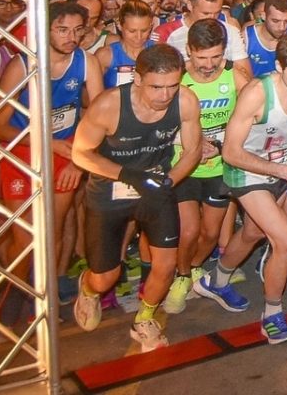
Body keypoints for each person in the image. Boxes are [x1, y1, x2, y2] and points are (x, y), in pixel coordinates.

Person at [69, 45, 203, 353]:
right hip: (111, 189)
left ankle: (144, 319)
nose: (165, 95)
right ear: (138, 79)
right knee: (106, 277)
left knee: (166, 265)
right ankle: (89, 288)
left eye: (172, 85)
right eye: (156, 87)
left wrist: (167, 182)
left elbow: (193, 150)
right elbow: (81, 153)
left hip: (156, 186)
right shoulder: (108, 105)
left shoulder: (185, 101)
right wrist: (128, 175)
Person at [209, 30, 287, 343]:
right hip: (247, 170)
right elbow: (230, 152)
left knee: (253, 232)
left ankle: (216, 281)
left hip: (280, 169)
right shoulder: (257, 92)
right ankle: (272, 314)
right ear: (279, 67)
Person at [0, 2, 102, 322]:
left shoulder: (86, 62)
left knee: (51, 231)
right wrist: (47, 141)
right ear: (45, 29)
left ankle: (39, 298)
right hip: (22, 153)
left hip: (65, 153)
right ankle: (15, 292)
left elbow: (99, 118)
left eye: (77, 30)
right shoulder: (23, 64)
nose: (71, 37)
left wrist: (78, 162)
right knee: (25, 236)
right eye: (62, 30)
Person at [164, 20, 242, 314]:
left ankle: (194, 266)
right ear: (189, 51)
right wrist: (192, 144)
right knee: (189, 231)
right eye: (202, 57)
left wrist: (220, 145)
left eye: (216, 57)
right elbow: (160, 123)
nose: (209, 65)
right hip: (184, 166)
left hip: (219, 167)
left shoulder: (236, 77)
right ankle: (182, 276)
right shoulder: (177, 79)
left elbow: (250, 120)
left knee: (210, 233)